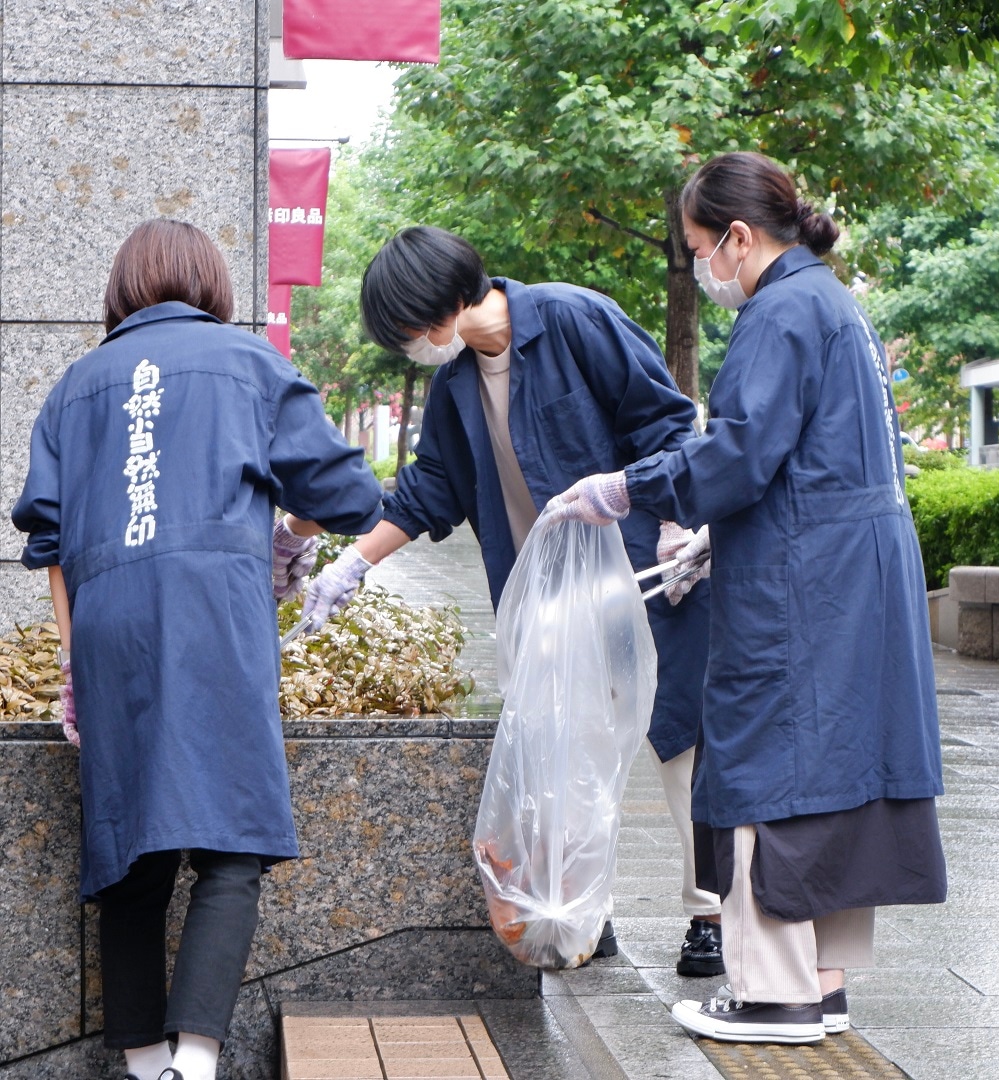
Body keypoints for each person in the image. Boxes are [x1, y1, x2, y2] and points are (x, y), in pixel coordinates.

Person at [551, 151, 947, 1044]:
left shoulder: (780, 312)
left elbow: (737, 449)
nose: (702, 268)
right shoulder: (836, 303)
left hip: (803, 578)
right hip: (859, 565)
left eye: (699, 248)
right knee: (846, 762)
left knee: (765, 753)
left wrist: (629, 488)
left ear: (737, 236)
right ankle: (824, 981)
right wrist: (708, 534)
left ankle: (775, 991)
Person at [11, 220, 384, 1080]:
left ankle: (145, 1067)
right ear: (210, 284)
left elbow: (51, 548)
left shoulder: (75, 387)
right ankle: (198, 1059)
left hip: (109, 625)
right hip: (214, 614)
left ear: (122, 288)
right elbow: (345, 491)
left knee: (129, 848)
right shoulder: (249, 363)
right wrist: (290, 539)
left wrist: (73, 662)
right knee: (231, 844)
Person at [301, 225, 724, 975]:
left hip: (643, 578)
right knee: (567, 753)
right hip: (550, 600)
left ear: (440, 304)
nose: (408, 346)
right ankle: (589, 913)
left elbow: (663, 422)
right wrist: (350, 566)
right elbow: (430, 489)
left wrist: (673, 523)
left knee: (680, 744)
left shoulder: (571, 318)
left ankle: (708, 914)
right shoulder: (455, 382)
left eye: (405, 328)